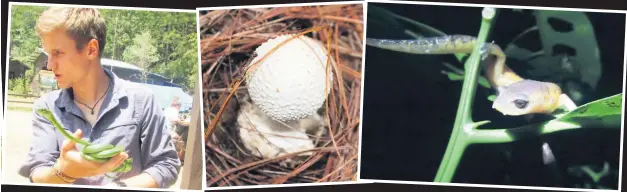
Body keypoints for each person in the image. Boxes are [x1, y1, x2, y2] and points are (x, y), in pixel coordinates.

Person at [18, 7, 181, 188]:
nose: (49, 64)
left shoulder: (141, 100)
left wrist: (117, 188)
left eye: (57, 53)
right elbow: (37, 171)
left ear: (91, 49)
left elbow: (166, 165)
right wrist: (62, 171)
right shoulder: (46, 107)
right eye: (48, 54)